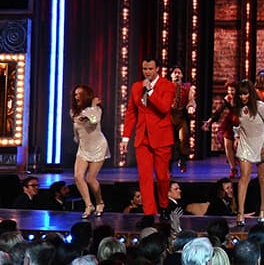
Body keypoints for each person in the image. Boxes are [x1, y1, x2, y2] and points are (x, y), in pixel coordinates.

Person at [120, 56, 176, 218]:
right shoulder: (136, 87)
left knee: (162, 176)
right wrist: (125, 138)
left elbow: (164, 108)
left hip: (161, 137)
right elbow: (131, 113)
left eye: (150, 69)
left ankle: (164, 206)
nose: (147, 72)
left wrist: (150, 90)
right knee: (144, 178)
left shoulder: (168, 86)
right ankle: (149, 214)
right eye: (145, 69)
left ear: (157, 69)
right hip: (142, 138)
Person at [233, 80, 264, 226]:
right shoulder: (237, 108)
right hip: (246, 143)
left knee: (263, 178)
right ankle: (240, 213)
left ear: (251, 93)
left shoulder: (260, 107)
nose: (243, 97)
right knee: (244, 178)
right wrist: (236, 136)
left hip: (261, 143)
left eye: (245, 94)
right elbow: (238, 125)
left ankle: (263, 209)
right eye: (240, 94)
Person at [71, 84, 109, 218]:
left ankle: (100, 202)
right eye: (75, 94)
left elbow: (94, 120)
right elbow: (76, 128)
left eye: (79, 94)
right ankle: (88, 205)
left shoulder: (96, 110)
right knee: (78, 176)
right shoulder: (74, 111)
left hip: (98, 146)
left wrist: (92, 105)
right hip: (83, 147)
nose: (76, 97)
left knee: (90, 178)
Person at [202, 81, 239, 179]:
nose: (230, 91)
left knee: (238, 146)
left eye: (232, 89)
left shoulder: (241, 98)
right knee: (227, 145)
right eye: (229, 89)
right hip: (230, 122)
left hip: (241, 122)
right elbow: (219, 111)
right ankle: (233, 169)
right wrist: (210, 121)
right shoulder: (227, 98)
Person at [169, 66, 197, 173]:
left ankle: (183, 160)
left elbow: (191, 100)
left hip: (181, 117)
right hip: (169, 117)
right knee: (169, 143)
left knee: (184, 138)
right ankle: (168, 167)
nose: (177, 75)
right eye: (175, 73)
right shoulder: (166, 87)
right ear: (171, 75)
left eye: (179, 73)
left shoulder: (187, 88)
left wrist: (191, 107)